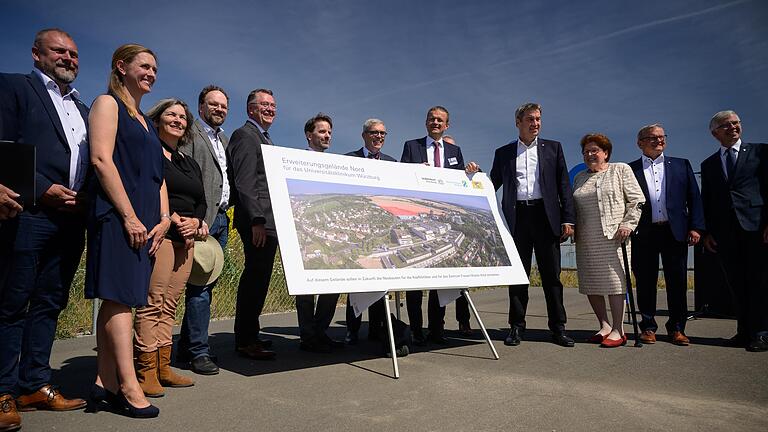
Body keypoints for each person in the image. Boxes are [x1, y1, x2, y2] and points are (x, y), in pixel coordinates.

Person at [0, 28, 89, 431]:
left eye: (73, 53)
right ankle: (3, 391)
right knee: (12, 302)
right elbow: (3, 145)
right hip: (28, 211)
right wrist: (40, 188)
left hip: (71, 219)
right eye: (59, 51)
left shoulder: (84, 109)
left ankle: (35, 382)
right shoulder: (15, 88)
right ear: (36, 54)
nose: (68, 58)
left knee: (51, 301)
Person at [86, 44, 170, 418]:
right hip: (121, 217)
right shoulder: (108, 104)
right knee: (120, 298)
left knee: (123, 298)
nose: (151, 72)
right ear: (121, 67)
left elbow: (158, 177)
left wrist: (163, 219)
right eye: (144, 66)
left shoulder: (146, 122)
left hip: (148, 223)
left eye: (155, 68)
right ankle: (128, 384)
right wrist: (129, 216)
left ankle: (104, 380)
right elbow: (101, 159)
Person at [132, 99, 206, 397]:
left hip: (186, 240)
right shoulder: (151, 153)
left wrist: (197, 221)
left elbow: (200, 199)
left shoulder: (188, 162)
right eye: (171, 114)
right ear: (158, 119)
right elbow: (152, 190)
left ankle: (163, 366)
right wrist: (177, 222)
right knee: (153, 302)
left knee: (171, 303)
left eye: (182, 117)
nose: (177, 120)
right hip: (162, 235)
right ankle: (145, 370)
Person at [489, 103, 576, 348]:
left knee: (552, 277)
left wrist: (568, 219)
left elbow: (564, 186)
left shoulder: (554, 148)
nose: (535, 123)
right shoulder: (503, 153)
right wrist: (469, 178)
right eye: (530, 119)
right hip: (517, 220)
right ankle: (516, 327)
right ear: (518, 122)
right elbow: (491, 184)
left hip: (546, 217)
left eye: (538, 119)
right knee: (518, 276)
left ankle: (558, 328)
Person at [400, 106, 480, 346]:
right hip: (417, 216)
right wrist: (414, 170)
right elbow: (400, 177)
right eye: (431, 119)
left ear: (447, 125)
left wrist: (469, 173)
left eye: (440, 120)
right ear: (426, 122)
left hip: (444, 221)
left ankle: (436, 330)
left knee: (440, 280)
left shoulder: (455, 151)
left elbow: (459, 188)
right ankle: (415, 330)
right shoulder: (411, 146)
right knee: (414, 283)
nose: (435, 122)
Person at [629, 124, 704, 346]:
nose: (658, 141)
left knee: (677, 281)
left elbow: (694, 198)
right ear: (640, 142)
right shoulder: (629, 170)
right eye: (652, 137)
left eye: (662, 137)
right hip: (644, 233)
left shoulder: (681, 165)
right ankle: (648, 327)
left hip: (675, 232)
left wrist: (696, 227)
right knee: (644, 281)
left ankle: (677, 328)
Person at [700, 110, 768, 352]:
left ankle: (762, 333)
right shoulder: (708, 164)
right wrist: (707, 232)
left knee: (759, 281)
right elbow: (706, 200)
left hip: (757, 227)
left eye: (736, 122)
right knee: (736, 283)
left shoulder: (761, 152)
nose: (733, 127)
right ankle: (744, 331)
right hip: (725, 233)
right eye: (726, 125)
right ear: (715, 132)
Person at [177, 85, 231, 375]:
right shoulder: (190, 135)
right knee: (198, 287)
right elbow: (183, 175)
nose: (219, 109)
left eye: (223, 106)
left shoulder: (223, 138)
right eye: (213, 105)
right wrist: (193, 217)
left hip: (222, 219)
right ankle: (199, 352)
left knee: (206, 283)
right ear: (200, 108)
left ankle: (186, 346)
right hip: (200, 220)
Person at [572, 133, 644, 348]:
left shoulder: (620, 169)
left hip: (614, 236)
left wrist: (628, 224)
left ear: (606, 153)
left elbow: (637, 200)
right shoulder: (579, 178)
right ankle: (604, 326)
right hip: (586, 238)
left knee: (615, 283)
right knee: (591, 283)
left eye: (594, 150)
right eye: (586, 152)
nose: (590, 154)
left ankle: (618, 330)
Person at [226, 89, 278, 360]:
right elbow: (245, 183)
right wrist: (257, 220)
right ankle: (245, 340)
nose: (270, 109)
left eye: (272, 105)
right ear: (250, 110)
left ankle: (251, 334)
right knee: (254, 281)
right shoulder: (245, 136)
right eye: (263, 105)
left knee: (260, 281)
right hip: (258, 223)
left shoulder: (265, 139)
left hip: (269, 221)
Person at [343, 118, 396, 345]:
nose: (379, 137)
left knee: (380, 282)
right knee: (355, 282)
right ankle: (352, 331)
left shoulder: (392, 163)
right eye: (375, 133)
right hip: (356, 227)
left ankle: (376, 329)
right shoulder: (348, 160)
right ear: (364, 135)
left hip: (381, 228)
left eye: (383, 134)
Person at [295, 113, 343, 353]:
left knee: (332, 286)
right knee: (305, 290)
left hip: (329, 233)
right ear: (309, 135)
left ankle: (320, 331)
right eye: (322, 131)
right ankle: (308, 336)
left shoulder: (333, 164)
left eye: (329, 133)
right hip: (303, 232)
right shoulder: (296, 160)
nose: (327, 136)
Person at [442, 134, 473, 336]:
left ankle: (464, 322)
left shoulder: (460, 171)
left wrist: (473, 173)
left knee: (461, 286)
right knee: (440, 289)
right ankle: (438, 326)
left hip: (456, 223)